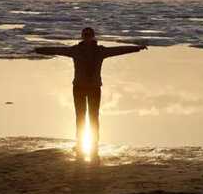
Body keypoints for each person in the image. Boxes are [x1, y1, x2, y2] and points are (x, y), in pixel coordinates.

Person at [34, 27, 147, 161]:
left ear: (92, 37)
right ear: (83, 37)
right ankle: (80, 143)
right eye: (85, 35)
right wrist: (38, 49)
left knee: (93, 116)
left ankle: (94, 143)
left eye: (89, 35)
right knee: (80, 116)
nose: (87, 38)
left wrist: (136, 48)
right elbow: (57, 50)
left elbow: (118, 50)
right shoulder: (75, 50)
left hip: (93, 88)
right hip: (79, 87)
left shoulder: (100, 51)